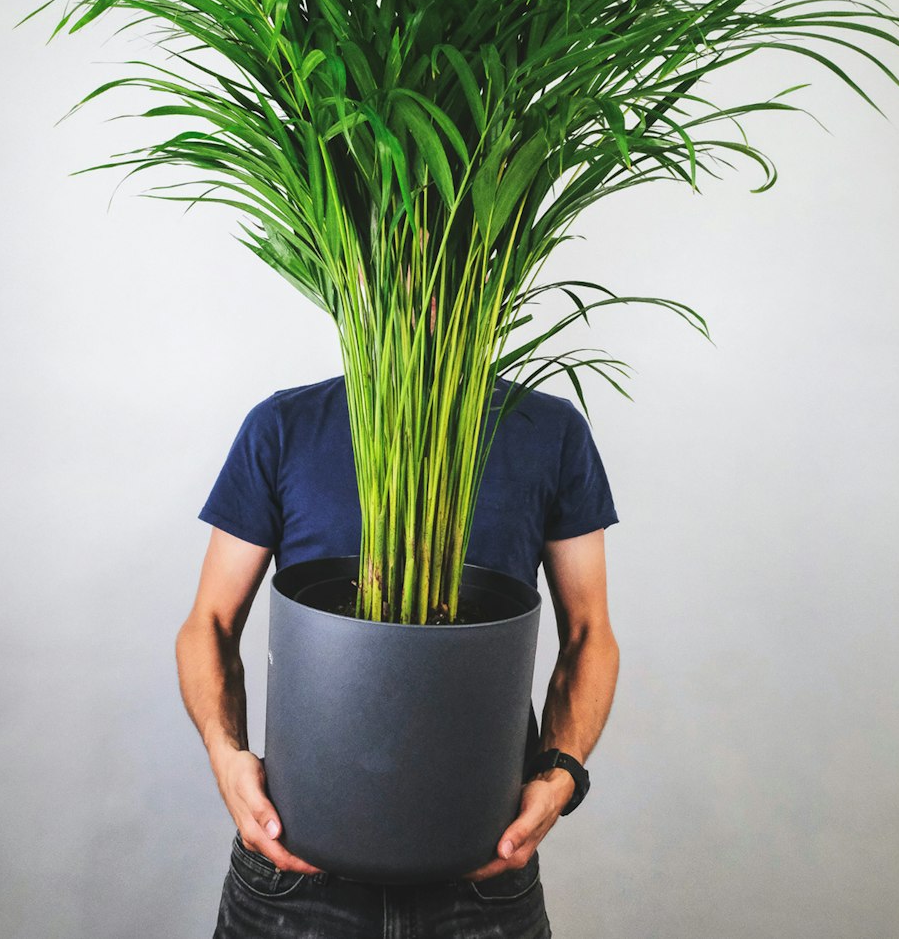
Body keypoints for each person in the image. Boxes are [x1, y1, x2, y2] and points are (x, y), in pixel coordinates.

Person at [176, 373, 621, 938]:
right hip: (298, 863)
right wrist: (225, 755)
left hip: (481, 865)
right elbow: (208, 625)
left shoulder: (551, 430)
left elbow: (589, 633)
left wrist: (562, 774)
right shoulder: (286, 424)